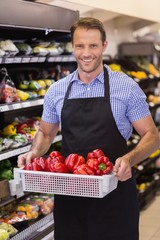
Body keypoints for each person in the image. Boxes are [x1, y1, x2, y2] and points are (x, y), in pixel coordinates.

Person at [18, 17, 159, 240]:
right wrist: (34, 152)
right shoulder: (57, 90)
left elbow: (152, 135)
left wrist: (130, 159)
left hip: (115, 192)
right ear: (73, 47)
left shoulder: (125, 87)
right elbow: (46, 132)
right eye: (80, 45)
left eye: (93, 45)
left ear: (104, 45)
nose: (86, 53)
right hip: (70, 194)